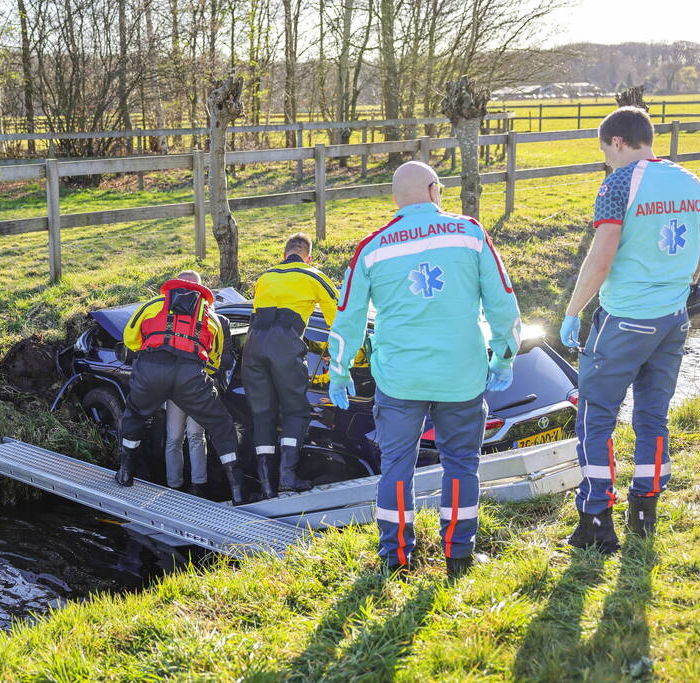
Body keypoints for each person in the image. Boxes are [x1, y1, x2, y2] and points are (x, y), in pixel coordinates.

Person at [327, 161, 521, 578]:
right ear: (434, 189)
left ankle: (394, 557)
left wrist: (339, 370)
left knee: (396, 465)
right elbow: (503, 303)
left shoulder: (372, 248)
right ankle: (459, 555)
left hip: (400, 379)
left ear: (396, 198)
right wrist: (504, 356)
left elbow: (348, 317)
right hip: (461, 375)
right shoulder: (470, 233)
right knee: (461, 464)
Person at [560, 106, 700, 552]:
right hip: (673, 318)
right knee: (652, 416)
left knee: (594, 416)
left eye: (605, 151)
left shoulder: (619, 181)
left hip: (624, 319)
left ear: (617, 141)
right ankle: (645, 511)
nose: (605, 159)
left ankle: (597, 520)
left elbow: (601, 257)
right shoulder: (689, 181)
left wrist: (572, 310)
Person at [115, 271, 246, 505]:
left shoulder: (153, 305)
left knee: (134, 415)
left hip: (153, 368)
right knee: (221, 426)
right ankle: (237, 490)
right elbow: (214, 360)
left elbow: (130, 339)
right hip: (191, 376)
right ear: (200, 289)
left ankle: (125, 473)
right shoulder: (210, 316)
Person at [242, 232, 339, 499]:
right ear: (308, 257)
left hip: (254, 347)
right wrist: (337, 353)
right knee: (295, 411)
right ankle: (287, 476)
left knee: (262, 414)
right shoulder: (313, 275)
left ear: (284, 255)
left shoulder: (265, 277)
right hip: (285, 346)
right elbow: (338, 318)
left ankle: (266, 484)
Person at [163, 271, 232, 496]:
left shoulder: (218, 320)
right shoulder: (169, 318)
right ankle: (175, 485)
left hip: (200, 385)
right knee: (176, 437)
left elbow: (228, 359)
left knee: (191, 436)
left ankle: (197, 486)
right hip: (178, 387)